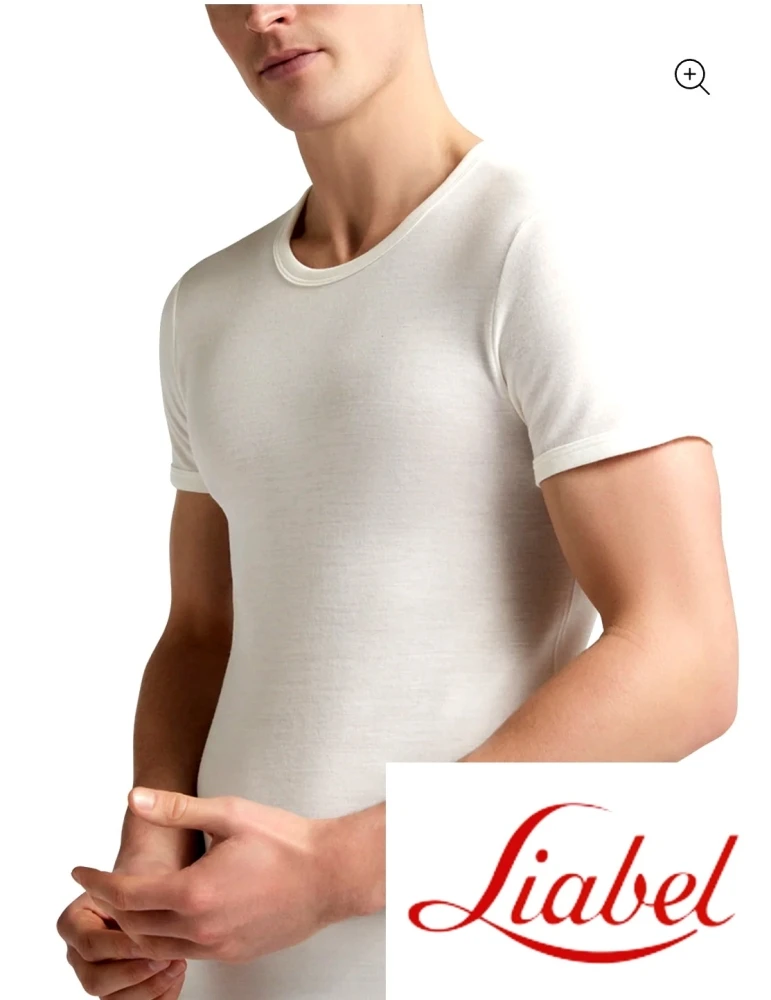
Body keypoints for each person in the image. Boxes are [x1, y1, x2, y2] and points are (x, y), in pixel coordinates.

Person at [56, 5, 738, 999]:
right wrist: (152, 866)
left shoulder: (542, 241)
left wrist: (335, 874)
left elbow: (687, 659)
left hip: (467, 959)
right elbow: (204, 629)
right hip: (234, 974)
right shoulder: (205, 305)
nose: (263, 12)